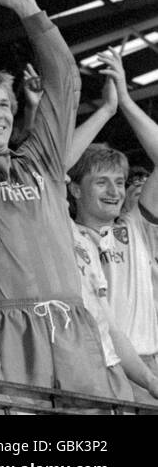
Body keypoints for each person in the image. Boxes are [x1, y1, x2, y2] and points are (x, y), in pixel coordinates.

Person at [0, 0, 114, 402]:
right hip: (7, 329)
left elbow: (66, 83)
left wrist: (31, 12)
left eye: (3, 104)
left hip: (73, 324)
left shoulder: (41, 159)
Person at [68, 47, 158, 404]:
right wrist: (102, 112)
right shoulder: (63, 233)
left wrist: (124, 101)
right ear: (75, 189)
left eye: (119, 182)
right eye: (101, 182)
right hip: (102, 366)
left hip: (149, 363)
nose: (115, 191)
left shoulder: (133, 227)